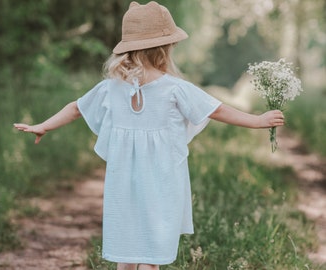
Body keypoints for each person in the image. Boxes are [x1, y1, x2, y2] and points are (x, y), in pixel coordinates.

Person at [14, 2, 285, 270]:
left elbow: (76, 108)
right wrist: (257, 121)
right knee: (151, 257)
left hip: (123, 185)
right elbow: (217, 110)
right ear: (164, 49)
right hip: (163, 185)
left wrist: (45, 125)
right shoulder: (175, 89)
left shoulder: (110, 88)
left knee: (127, 254)